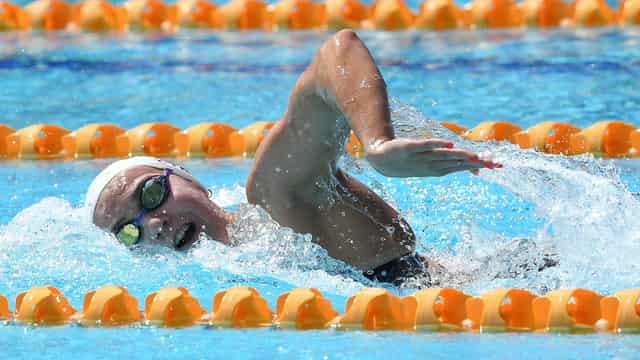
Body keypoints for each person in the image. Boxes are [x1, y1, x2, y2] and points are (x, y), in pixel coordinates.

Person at [85, 30, 500, 287]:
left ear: (187, 178)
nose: (153, 226)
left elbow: (336, 54)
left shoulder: (274, 198)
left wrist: (378, 146)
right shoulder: (235, 269)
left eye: (153, 195)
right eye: (129, 233)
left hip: (506, 286)